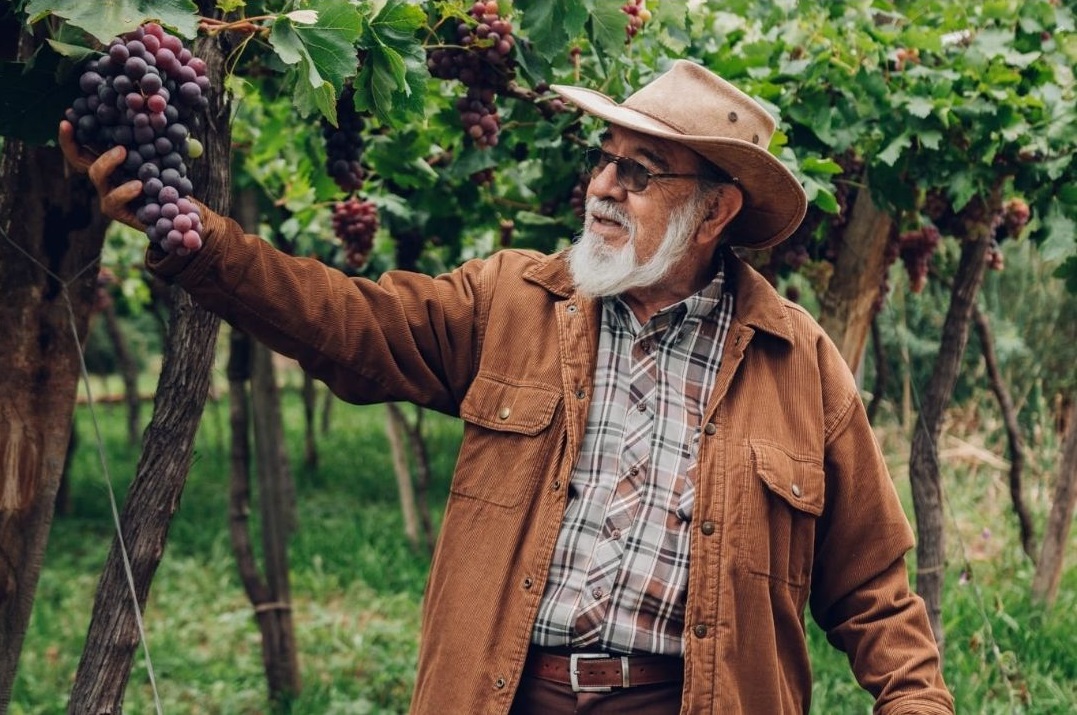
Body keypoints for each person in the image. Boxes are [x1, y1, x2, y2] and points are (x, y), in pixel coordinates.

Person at [60, 59, 955, 715]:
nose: (602, 185)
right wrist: (203, 244)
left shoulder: (798, 364)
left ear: (714, 212)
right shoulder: (512, 303)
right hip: (505, 694)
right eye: (603, 160)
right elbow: (350, 323)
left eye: (638, 173)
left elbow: (871, 588)